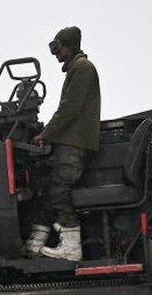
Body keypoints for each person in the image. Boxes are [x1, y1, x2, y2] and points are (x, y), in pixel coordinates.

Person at [23, 26, 101, 262]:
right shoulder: (76, 69)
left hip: (74, 142)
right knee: (45, 185)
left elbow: (69, 109)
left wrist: (45, 134)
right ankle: (36, 241)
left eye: (59, 48)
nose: (57, 54)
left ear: (70, 45)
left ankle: (70, 246)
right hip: (69, 140)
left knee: (59, 187)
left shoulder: (82, 68)